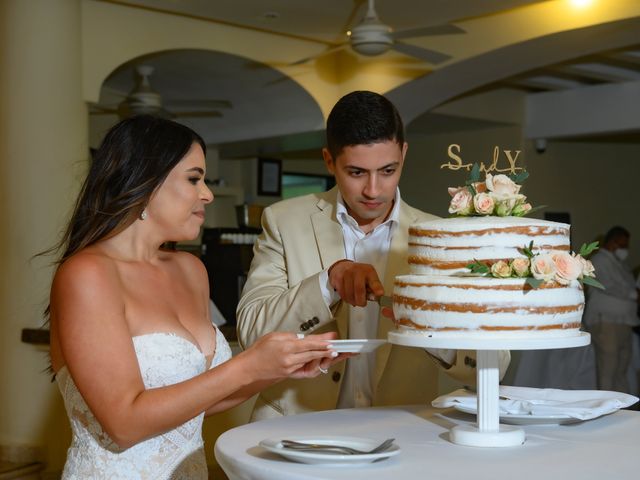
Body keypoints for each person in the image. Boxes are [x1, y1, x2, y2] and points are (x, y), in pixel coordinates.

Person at [47, 115, 344, 479]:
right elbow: (122, 423)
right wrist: (249, 364)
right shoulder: (87, 275)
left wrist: (279, 367)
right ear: (145, 181)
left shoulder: (190, 270)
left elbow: (201, 401)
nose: (207, 193)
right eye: (193, 179)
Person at [236, 90, 510, 421]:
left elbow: (494, 361)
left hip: (402, 436)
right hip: (294, 428)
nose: (373, 189)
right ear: (328, 160)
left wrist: (426, 325)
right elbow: (252, 333)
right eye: (356, 172)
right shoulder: (283, 221)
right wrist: (328, 282)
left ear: (404, 155)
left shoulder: (441, 237)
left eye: (388, 170)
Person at [584, 226, 640, 393]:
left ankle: (622, 410)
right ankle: (606, 411)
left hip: (624, 322)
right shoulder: (599, 260)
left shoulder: (620, 264)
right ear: (612, 242)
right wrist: (633, 294)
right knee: (608, 369)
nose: (625, 249)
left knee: (621, 369)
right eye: (623, 245)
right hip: (606, 322)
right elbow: (608, 285)